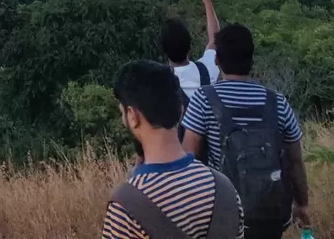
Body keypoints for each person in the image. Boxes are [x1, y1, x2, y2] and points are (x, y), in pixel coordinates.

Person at [181, 24, 311, 239]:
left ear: (217, 60)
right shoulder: (277, 102)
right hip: (271, 215)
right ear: (251, 60)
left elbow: (188, 158)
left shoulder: (204, 99)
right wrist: (302, 204)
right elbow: (295, 159)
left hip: (224, 213)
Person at [103, 60, 243, 239]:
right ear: (181, 109)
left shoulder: (126, 208)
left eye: (122, 113)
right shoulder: (225, 190)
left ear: (132, 116)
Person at [161, 0, 221, 102]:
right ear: (190, 45)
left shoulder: (160, 83)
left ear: (163, 49)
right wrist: (207, 0)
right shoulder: (207, 69)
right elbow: (215, 39)